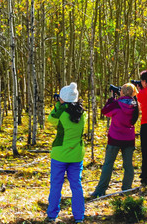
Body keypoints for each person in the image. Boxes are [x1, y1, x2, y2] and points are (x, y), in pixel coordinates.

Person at [46, 82, 86, 223]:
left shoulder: (61, 113)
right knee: (76, 185)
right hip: (76, 155)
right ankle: (79, 216)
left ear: (63, 99)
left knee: (56, 184)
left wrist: (58, 105)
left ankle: (52, 215)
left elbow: (50, 119)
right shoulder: (83, 114)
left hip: (60, 154)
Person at [91, 83, 139, 198]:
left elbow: (104, 111)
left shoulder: (117, 104)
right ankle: (126, 190)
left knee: (108, 164)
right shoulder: (135, 105)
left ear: (122, 92)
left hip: (115, 138)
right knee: (128, 165)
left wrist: (111, 99)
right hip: (129, 138)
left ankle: (100, 191)